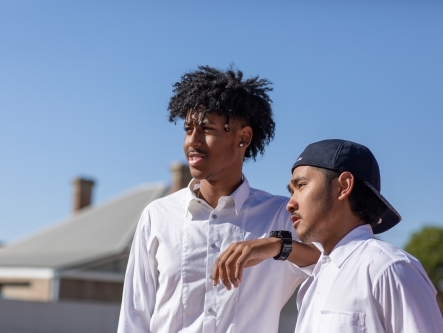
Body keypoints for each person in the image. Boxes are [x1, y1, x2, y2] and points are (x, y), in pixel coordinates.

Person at [117, 66, 319, 333]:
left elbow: (330, 263)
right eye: (188, 129)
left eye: (206, 129)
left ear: (243, 137)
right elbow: (134, 316)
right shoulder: (157, 215)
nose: (192, 141)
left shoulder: (281, 214)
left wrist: (275, 246)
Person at [214, 139, 443, 332]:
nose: (290, 204)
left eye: (301, 186)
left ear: (343, 186)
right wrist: (276, 245)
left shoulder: (388, 268)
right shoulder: (318, 278)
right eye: (291, 191)